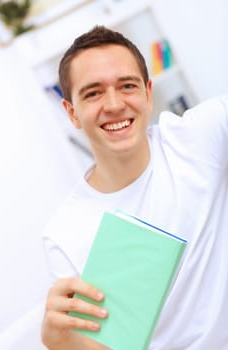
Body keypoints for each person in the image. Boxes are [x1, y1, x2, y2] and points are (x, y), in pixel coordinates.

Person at [41, 25, 228, 350]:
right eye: (93, 93)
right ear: (71, 112)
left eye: (127, 86)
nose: (114, 104)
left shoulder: (200, 137)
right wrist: (61, 342)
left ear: (147, 92)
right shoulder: (66, 234)